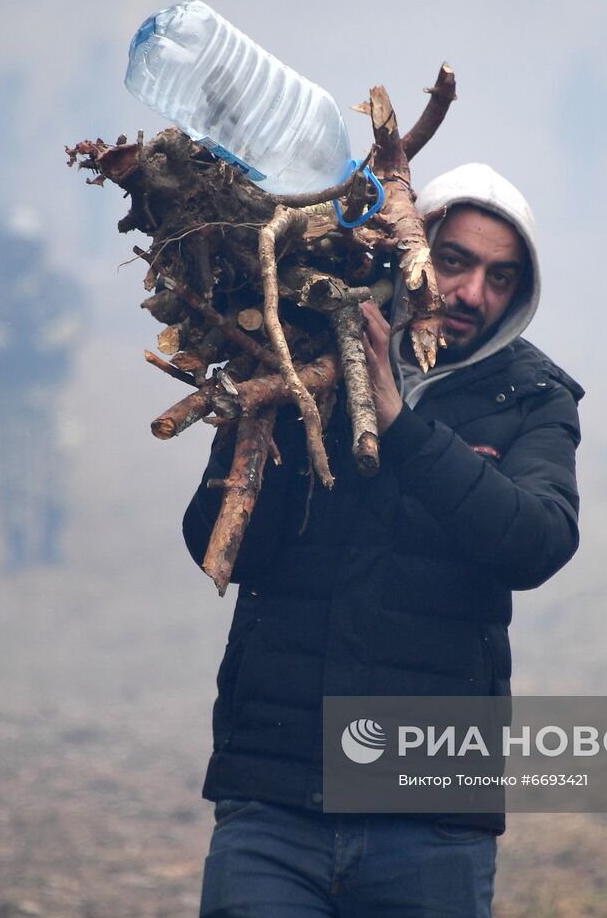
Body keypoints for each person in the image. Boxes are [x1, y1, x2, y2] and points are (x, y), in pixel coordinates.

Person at [184, 163, 583, 917]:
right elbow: (221, 546)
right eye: (455, 260)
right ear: (408, 249)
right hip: (275, 799)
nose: (470, 293)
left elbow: (537, 542)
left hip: (432, 825)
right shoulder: (300, 356)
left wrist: (400, 428)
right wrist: (280, 402)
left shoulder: (533, 399)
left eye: (500, 278)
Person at [0, 206, 84, 572]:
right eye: (11, 246)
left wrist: (43, 343)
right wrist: (16, 346)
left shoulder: (58, 286)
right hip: (9, 393)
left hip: (51, 390)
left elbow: (73, 325)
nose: (18, 254)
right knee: (12, 471)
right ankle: (16, 544)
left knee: (58, 466)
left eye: (24, 246)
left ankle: (50, 540)